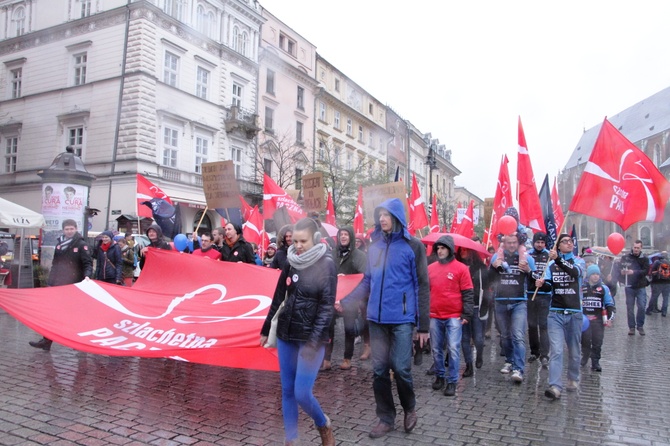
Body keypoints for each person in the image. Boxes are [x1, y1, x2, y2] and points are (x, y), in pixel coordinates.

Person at [338, 198, 429, 439]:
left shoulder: (414, 246)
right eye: (379, 215)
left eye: (387, 215)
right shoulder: (374, 246)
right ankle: (386, 417)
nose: (382, 219)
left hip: (401, 319)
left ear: (397, 217)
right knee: (379, 371)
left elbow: (422, 285)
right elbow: (368, 281)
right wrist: (347, 300)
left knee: (400, 368)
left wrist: (424, 326)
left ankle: (409, 408)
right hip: (376, 320)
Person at [259, 217, 337, 446]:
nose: (298, 245)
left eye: (303, 241)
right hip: (286, 334)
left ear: (315, 239)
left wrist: (313, 343)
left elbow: (326, 307)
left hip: (311, 338)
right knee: (287, 391)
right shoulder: (290, 261)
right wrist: (266, 328)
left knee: (302, 393)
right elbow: (278, 297)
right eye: (295, 240)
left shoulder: (327, 264)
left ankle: (323, 424)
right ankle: (291, 440)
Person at [29, 219, 92, 351]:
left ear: (76, 229)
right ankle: (46, 341)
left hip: (74, 284)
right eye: (67, 229)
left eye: (71, 229)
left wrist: (87, 276)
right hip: (58, 284)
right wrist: (50, 282)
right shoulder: (59, 245)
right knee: (52, 313)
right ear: (63, 230)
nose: (69, 231)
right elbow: (55, 264)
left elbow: (87, 263)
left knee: (75, 314)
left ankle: (80, 341)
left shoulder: (81, 245)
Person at [536, 233, 584, 400]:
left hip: (574, 313)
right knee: (556, 350)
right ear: (558, 246)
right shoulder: (550, 265)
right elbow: (549, 287)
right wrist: (541, 284)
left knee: (574, 349)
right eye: (565, 242)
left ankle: (573, 377)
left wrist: (557, 260)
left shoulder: (579, 261)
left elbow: (574, 273)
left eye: (570, 241)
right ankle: (555, 386)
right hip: (555, 313)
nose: (569, 243)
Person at [428, 235, 474, 397]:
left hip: (454, 316)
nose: (440, 251)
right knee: (436, 349)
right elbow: (426, 291)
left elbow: (468, 292)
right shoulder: (431, 268)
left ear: (450, 249)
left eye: (443, 248)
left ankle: (452, 381)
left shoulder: (461, 268)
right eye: (438, 248)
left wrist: (467, 313)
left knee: (453, 348)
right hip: (434, 315)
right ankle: (440, 376)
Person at [489, 232, 535, 383]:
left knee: (518, 335)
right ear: (504, 243)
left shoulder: (526, 258)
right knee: (505, 336)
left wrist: (528, 270)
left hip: (518, 302)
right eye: (509, 243)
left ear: (518, 243)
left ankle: (518, 369)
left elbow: (536, 280)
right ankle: (509, 360)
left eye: (514, 242)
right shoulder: (497, 257)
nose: (512, 245)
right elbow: (489, 279)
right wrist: (494, 268)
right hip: (500, 301)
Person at [325, 226, 367, 371]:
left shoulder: (359, 256)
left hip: (351, 298)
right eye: (341, 234)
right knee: (327, 327)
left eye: (346, 234)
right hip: (333, 297)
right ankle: (326, 359)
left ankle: (347, 358)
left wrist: (347, 281)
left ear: (351, 237)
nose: (343, 237)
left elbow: (364, 278)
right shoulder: (332, 254)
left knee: (349, 329)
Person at [458, 247, 489, 372]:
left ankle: (479, 355)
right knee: (464, 338)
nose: (463, 253)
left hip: (476, 306)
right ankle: (468, 364)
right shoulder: (458, 267)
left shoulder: (481, 269)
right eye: (461, 251)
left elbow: (486, 287)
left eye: (465, 251)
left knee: (478, 337)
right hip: (463, 307)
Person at [581, 264, 615, 372]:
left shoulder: (603, 288)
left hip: (598, 321)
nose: (595, 276)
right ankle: (585, 355)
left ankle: (595, 362)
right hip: (585, 321)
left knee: (597, 342)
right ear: (589, 275)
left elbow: (610, 304)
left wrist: (610, 319)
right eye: (593, 274)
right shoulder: (582, 287)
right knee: (585, 341)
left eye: (597, 274)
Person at [613, 240, 650, 335]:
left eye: (638, 248)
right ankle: (632, 327)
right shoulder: (626, 257)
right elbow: (620, 269)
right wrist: (622, 272)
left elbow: (645, 271)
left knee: (641, 306)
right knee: (630, 308)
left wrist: (634, 272)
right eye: (635, 247)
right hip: (629, 285)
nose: (636, 249)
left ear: (641, 248)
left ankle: (640, 326)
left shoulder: (645, 259)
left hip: (640, 285)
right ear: (632, 247)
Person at [526, 232, 552, 367]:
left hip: (545, 294)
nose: (540, 245)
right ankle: (534, 352)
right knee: (531, 325)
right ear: (533, 243)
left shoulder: (549, 255)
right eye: (538, 242)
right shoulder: (527, 255)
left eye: (542, 242)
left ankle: (545, 354)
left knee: (543, 325)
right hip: (530, 293)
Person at [646, 251, 670, 317]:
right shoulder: (669, 262)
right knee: (666, 298)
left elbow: (652, 272)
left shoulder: (657, 262)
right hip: (667, 282)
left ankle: (649, 310)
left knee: (654, 297)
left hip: (657, 282)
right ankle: (664, 312)